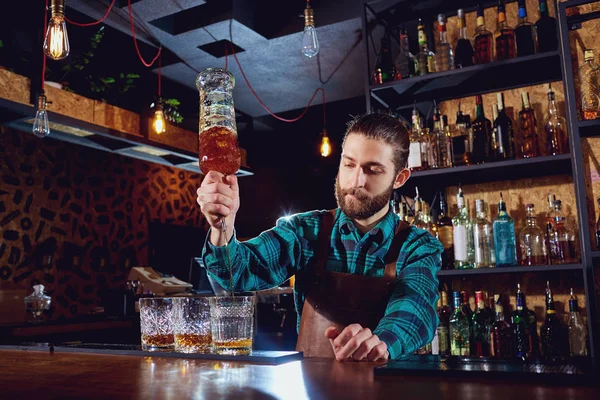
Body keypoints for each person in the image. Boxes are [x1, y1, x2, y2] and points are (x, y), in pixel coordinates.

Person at [197, 113, 443, 361]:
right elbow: (235, 274)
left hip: (385, 389)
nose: (356, 181)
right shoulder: (306, 231)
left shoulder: (418, 247)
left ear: (399, 178)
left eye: (373, 170)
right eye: (349, 164)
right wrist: (222, 228)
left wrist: (382, 343)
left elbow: (417, 310)